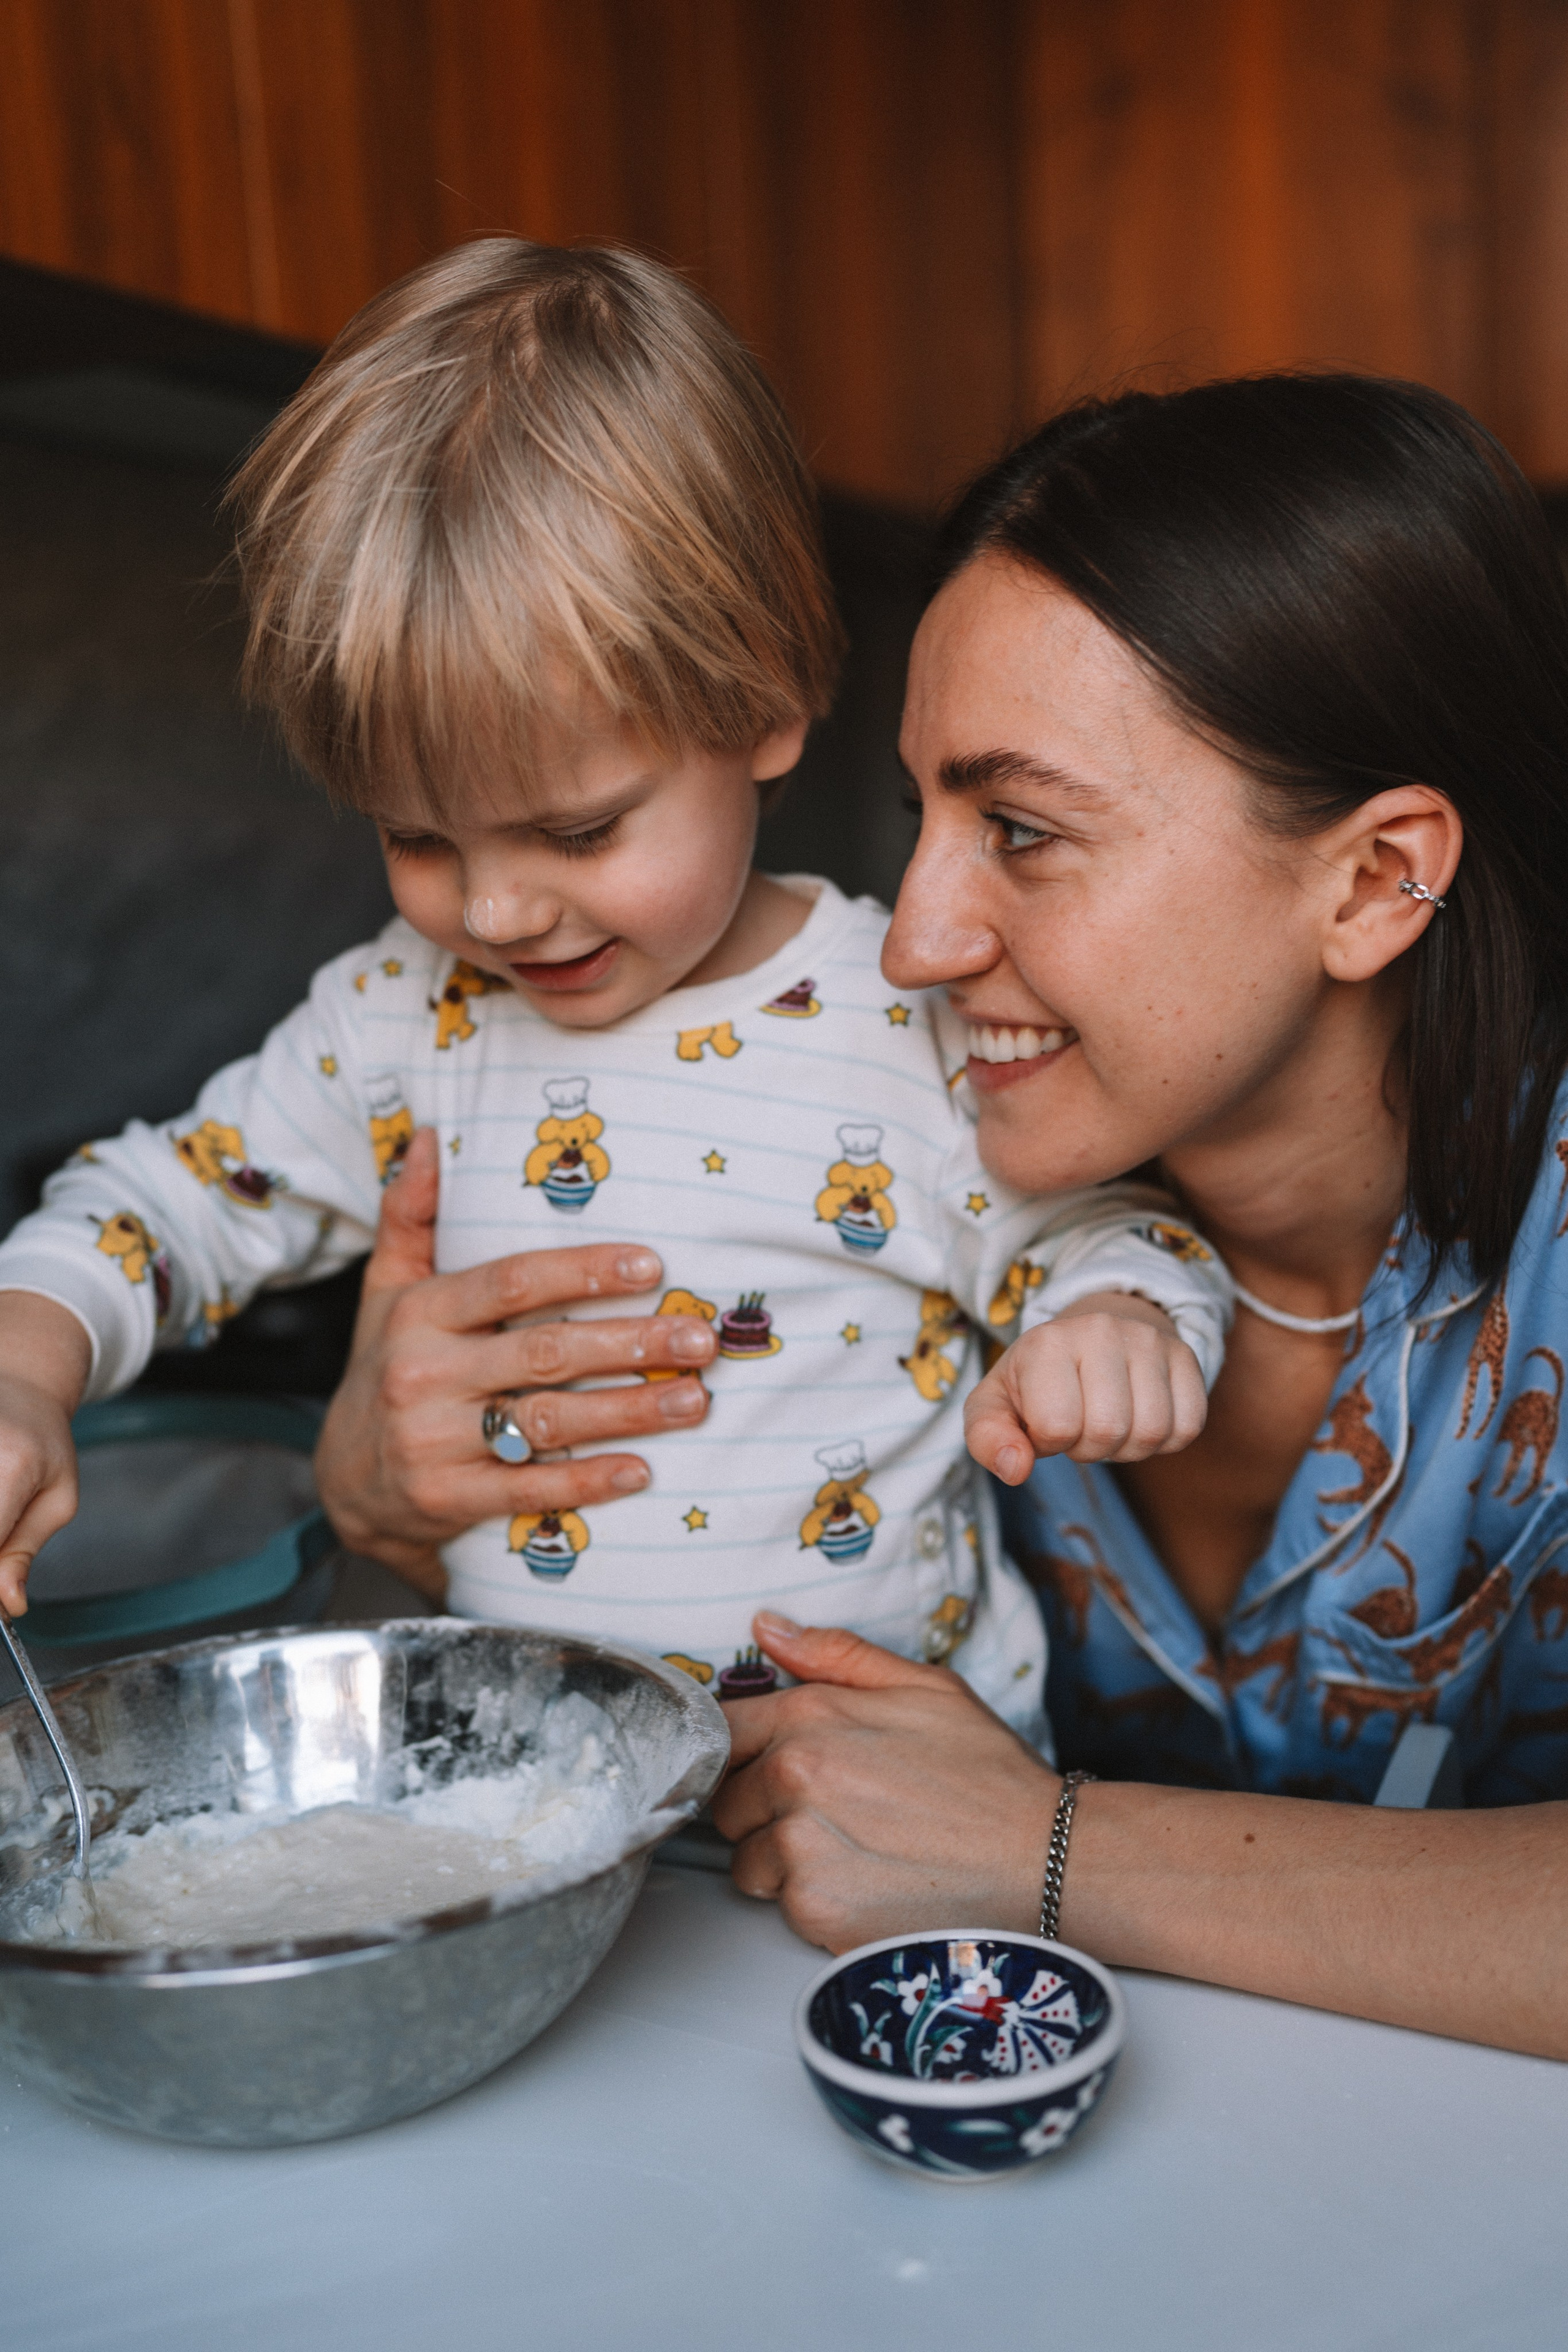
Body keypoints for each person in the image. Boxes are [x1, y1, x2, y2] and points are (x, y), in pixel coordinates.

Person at [307, 372, 1568, 2059]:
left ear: (1375, 878)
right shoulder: (885, 1165)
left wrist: (1045, 1851)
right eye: (927, 821)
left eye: (1025, 831)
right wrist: (379, 1513)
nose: (912, 941)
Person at [0, 240, 1231, 1743]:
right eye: (418, 836)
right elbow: (156, 1208)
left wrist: (1119, 1318)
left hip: (880, 1793)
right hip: (536, 1784)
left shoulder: (904, 1007)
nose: (500, 911)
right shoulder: (406, 1020)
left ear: (764, 700)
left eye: (578, 830)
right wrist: (23, 1365)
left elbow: (1105, 1234)